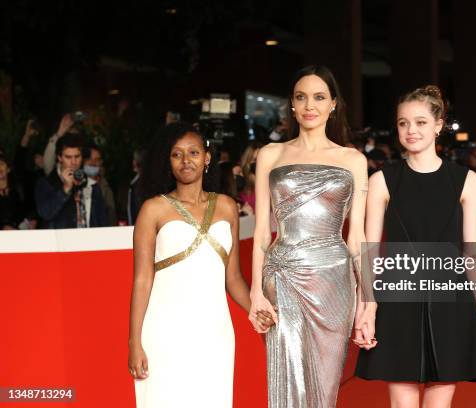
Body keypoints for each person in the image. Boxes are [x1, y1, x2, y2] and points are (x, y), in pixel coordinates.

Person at [355, 86, 476, 407]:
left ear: (439, 125)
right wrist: (366, 307)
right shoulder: (383, 180)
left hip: (451, 302)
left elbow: (472, 257)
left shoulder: (466, 181)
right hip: (398, 301)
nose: (411, 131)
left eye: (421, 122)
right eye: (403, 123)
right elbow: (369, 252)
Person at [248, 65, 372, 408]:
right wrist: (256, 292)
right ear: (292, 104)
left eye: (319, 97)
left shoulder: (353, 160)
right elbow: (261, 231)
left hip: (334, 280)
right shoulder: (271, 155)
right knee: (288, 382)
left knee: (325, 387)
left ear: (333, 104)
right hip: (283, 278)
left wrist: (369, 301)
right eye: (301, 97)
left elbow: (358, 236)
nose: (309, 105)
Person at [128, 122, 271, 407]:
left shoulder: (227, 207)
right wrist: (134, 341)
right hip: (165, 330)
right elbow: (142, 280)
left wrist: (256, 309)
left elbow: (232, 279)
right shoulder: (153, 209)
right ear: (168, 161)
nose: (185, 161)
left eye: (193, 152)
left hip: (214, 330)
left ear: (207, 158)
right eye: (176, 154)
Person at [35, 133, 108, 229]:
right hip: (59, 242)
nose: (73, 162)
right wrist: (65, 190)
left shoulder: (91, 185)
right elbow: (45, 213)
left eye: (77, 156)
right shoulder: (46, 183)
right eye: (68, 157)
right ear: (59, 157)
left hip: (89, 241)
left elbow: (102, 223)